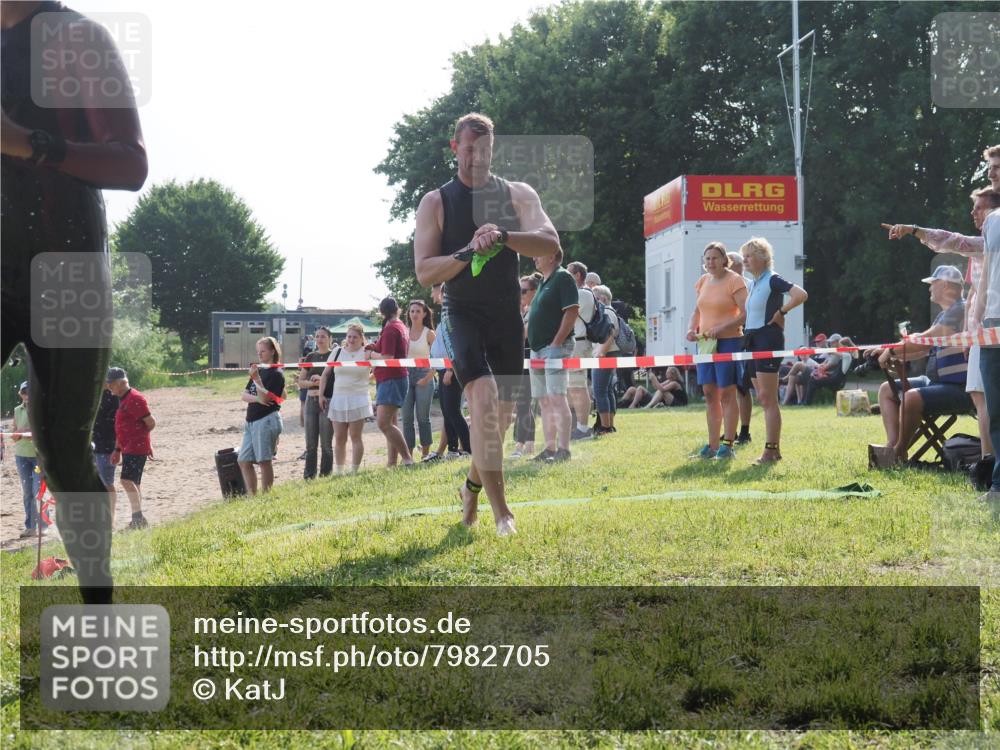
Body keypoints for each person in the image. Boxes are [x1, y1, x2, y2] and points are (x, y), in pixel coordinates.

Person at [2, 0, 148, 603]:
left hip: (69, 268)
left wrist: (27, 143)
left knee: (63, 450)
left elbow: (132, 164)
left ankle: (99, 610)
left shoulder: (76, 37)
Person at [413, 112, 561, 535]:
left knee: (502, 417)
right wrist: (467, 251)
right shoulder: (436, 202)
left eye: (486, 150)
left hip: (505, 315)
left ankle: (471, 489)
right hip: (462, 313)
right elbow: (425, 271)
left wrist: (504, 236)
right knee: (482, 399)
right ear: (455, 148)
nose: (478, 158)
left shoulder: (517, 194)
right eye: (470, 149)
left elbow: (551, 243)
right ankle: (502, 513)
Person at [883, 183, 1000, 465]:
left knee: (985, 402)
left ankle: (988, 464)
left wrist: (914, 230)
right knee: (984, 401)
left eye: (980, 208)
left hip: (987, 332)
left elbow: (953, 241)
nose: (973, 213)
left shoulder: (984, 245)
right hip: (981, 333)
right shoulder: (982, 251)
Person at [865, 265, 971, 464]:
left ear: (945, 285)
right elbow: (923, 349)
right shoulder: (945, 314)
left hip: (959, 387)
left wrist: (892, 350)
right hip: (938, 383)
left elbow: (925, 340)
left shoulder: (960, 309)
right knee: (887, 390)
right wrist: (889, 352)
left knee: (911, 398)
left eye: (933, 283)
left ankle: (898, 452)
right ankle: (891, 446)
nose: (930, 288)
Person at [740, 237, 808, 464]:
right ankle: (773, 450)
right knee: (762, 396)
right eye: (744, 256)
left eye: (749, 256)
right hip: (752, 340)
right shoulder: (754, 283)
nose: (745, 260)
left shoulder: (772, 279)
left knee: (768, 398)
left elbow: (800, 294)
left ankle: (770, 451)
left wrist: (782, 311)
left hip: (767, 339)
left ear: (762, 258)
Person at [686, 243, 748, 459]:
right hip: (705, 344)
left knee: (727, 393)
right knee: (709, 393)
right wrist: (691, 329)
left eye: (714, 258)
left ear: (724, 260)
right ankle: (712, 445)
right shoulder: (703, 281)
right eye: (707, 258)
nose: (710, 262)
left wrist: (721, 328)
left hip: (729, 342)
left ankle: (728, 445)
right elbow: (697, 311)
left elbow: (745, 314)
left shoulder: (735, 280)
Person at [527, 248, 580, 460]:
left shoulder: (563, 278)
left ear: (552, 256)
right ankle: (549, 449)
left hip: (555, 348)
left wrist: (556, 343)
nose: (534, 256)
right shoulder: (544, 281)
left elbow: (572, 311)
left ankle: (564, 450)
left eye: (538, 253)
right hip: (538, 349)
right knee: (544, 400)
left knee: (557, 398)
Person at [972, 144, 1000, 500]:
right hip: (993, 323)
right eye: (991, 166)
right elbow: (987, 273)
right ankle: (998, 486)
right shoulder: (992, 221)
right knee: (996, 410)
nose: (992, 172)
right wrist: (977, 319)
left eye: (998, 166)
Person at [366, 297, 414, 467]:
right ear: (397, 309)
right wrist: (375, 347)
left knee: (383, 423)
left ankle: (407, 459)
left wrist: (371, 354)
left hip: (391, 379)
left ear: (381, 312)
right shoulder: (400, 326)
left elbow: (388, 357)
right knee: (391, 423)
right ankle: (392, 462)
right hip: (393, 378)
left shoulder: (391, 329)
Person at [426, 282, 471, 460]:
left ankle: (468, 449)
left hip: (451, 369)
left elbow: (457, 345)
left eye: (437, 292)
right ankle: (452, 450)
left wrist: (451, 369)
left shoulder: (455, 315)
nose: (435, 295)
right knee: (447, 412)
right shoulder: (446, 315)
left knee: (453, 411)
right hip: (442, 368)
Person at [320, 323, 373, 474]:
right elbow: (325, 374)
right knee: (339, 437)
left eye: (355, 337)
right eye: (349, 336)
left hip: (358, 399)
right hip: (338, 399)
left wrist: (366, 379)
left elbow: (377, 371)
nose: (351, 339)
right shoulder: (337, 352)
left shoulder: (367, 352)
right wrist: (321, 394)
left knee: (356, 436)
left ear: (361, 338)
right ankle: (339, 470)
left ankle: (354, 470)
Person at [106, 368, 155, 529]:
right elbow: (122, 427)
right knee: (134, 482)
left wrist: (143, 440)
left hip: (136, 447)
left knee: (126, 481)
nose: (109, 387)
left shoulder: (135, 398)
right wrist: (117, 449)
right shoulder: (124, 398)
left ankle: (138, 518)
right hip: (129, 447)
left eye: (111, 384)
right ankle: (138, 519)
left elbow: (151, 423)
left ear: (121, 383)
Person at [237, 338, 285, 494]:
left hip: (266, 419)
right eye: (258, 351)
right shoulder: (260, 370)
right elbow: (244, 396)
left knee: (264, 461)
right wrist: (257, 397)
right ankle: (253, 496)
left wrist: (256, 380)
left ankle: (266, 496)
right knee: (243, 460)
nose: (259, 354)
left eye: (263, 351)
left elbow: (265, 399)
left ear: (272, 351)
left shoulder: (276, 373)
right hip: (251, 420)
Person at [401, 299, 436, 460]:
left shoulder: (430, 333)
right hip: (406, 375)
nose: (414, 314)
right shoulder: (404, 332)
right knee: (406, 418)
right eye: (412, 311)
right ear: (408, 314)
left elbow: (438, 359)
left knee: (423, 418)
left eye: (418, 311)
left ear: (424, 314)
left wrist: (428, 378)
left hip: (425, 374)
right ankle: (408, 456)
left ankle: (425, 454)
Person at [299, 326, 334, 479]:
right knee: (310, 444)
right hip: (310, 401)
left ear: (330, 339)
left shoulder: (334, 356)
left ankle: (325, 475)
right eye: (317, 336)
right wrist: (314, 383)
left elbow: (336, 380)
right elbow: (301, 382)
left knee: (326, 444)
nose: (319, 339)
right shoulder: (310, 356)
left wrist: (322, 382)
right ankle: (309, 476)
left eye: (323, 336)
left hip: (327, 401)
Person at [511, 273, 541, 457]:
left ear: (534, 291)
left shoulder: (535, 310)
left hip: (530, 359)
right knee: (524, 404)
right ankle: (527, 443)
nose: (519, 294)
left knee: (523, 403)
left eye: (523, 291)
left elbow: (522, 335)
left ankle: (521, 445)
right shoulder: (528, 310)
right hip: (523, 359)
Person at [726, 251, 754, 444]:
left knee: (742, 387)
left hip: (743, 340)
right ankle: (730, 430)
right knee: (727, 388)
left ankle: (745, 431)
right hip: (725, 340)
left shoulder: (749, 285)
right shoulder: (721, 284)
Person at [565, 261, 595, 441]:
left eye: (568, 273)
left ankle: (583, 429)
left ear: (577, 275)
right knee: (573, 387)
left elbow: (565, 313)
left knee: (578, 387)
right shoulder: (582, 293)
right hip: (577, 343)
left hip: (579, 343)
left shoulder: (582, 293)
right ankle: (577, 426)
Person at [12, 381, 45, 538]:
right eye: (24, 392)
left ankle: (43, 526)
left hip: (38, 457)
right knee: (27, 493)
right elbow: (14, 435)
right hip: (21, 456)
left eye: (29, 392)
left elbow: (44, 430)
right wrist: (19, 433)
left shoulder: (40, 409)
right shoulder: (17, 410)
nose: (27, 395)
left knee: (38, 491)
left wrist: (31, 432)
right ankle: (30, 527)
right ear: (20, 394)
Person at [590, 285, 621, 435]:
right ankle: (609, 425)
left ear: (602, 298)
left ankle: (605, 427)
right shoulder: (611, 311)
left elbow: (611, 333)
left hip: (605, 354)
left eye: (594, 298)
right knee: (607, 390)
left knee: (599, 391)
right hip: (610, 353)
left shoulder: (606, 312)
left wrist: (601, 352)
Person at [92, 382, 119, 522]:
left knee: (107, 482)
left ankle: (110, 517)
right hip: (93, 445)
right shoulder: (94, 394)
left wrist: (117, 448)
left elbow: (118, 424)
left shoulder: (114, 396)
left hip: (107, 446)